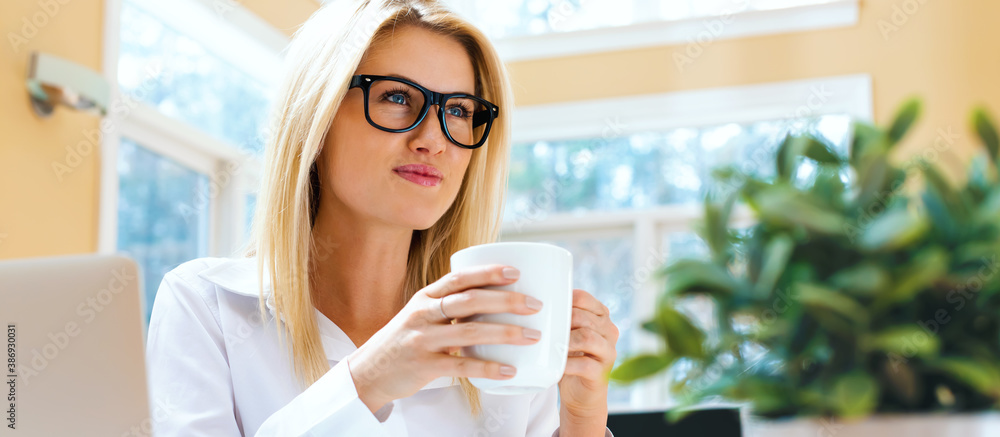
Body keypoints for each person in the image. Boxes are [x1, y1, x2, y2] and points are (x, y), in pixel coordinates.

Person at [144, 0, 619, 435]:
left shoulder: (500, 333)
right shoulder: (207, 307)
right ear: (318, 116)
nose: (434, 139)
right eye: (396, 98)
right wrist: (369, 378)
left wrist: (583, 420)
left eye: (457, 110)